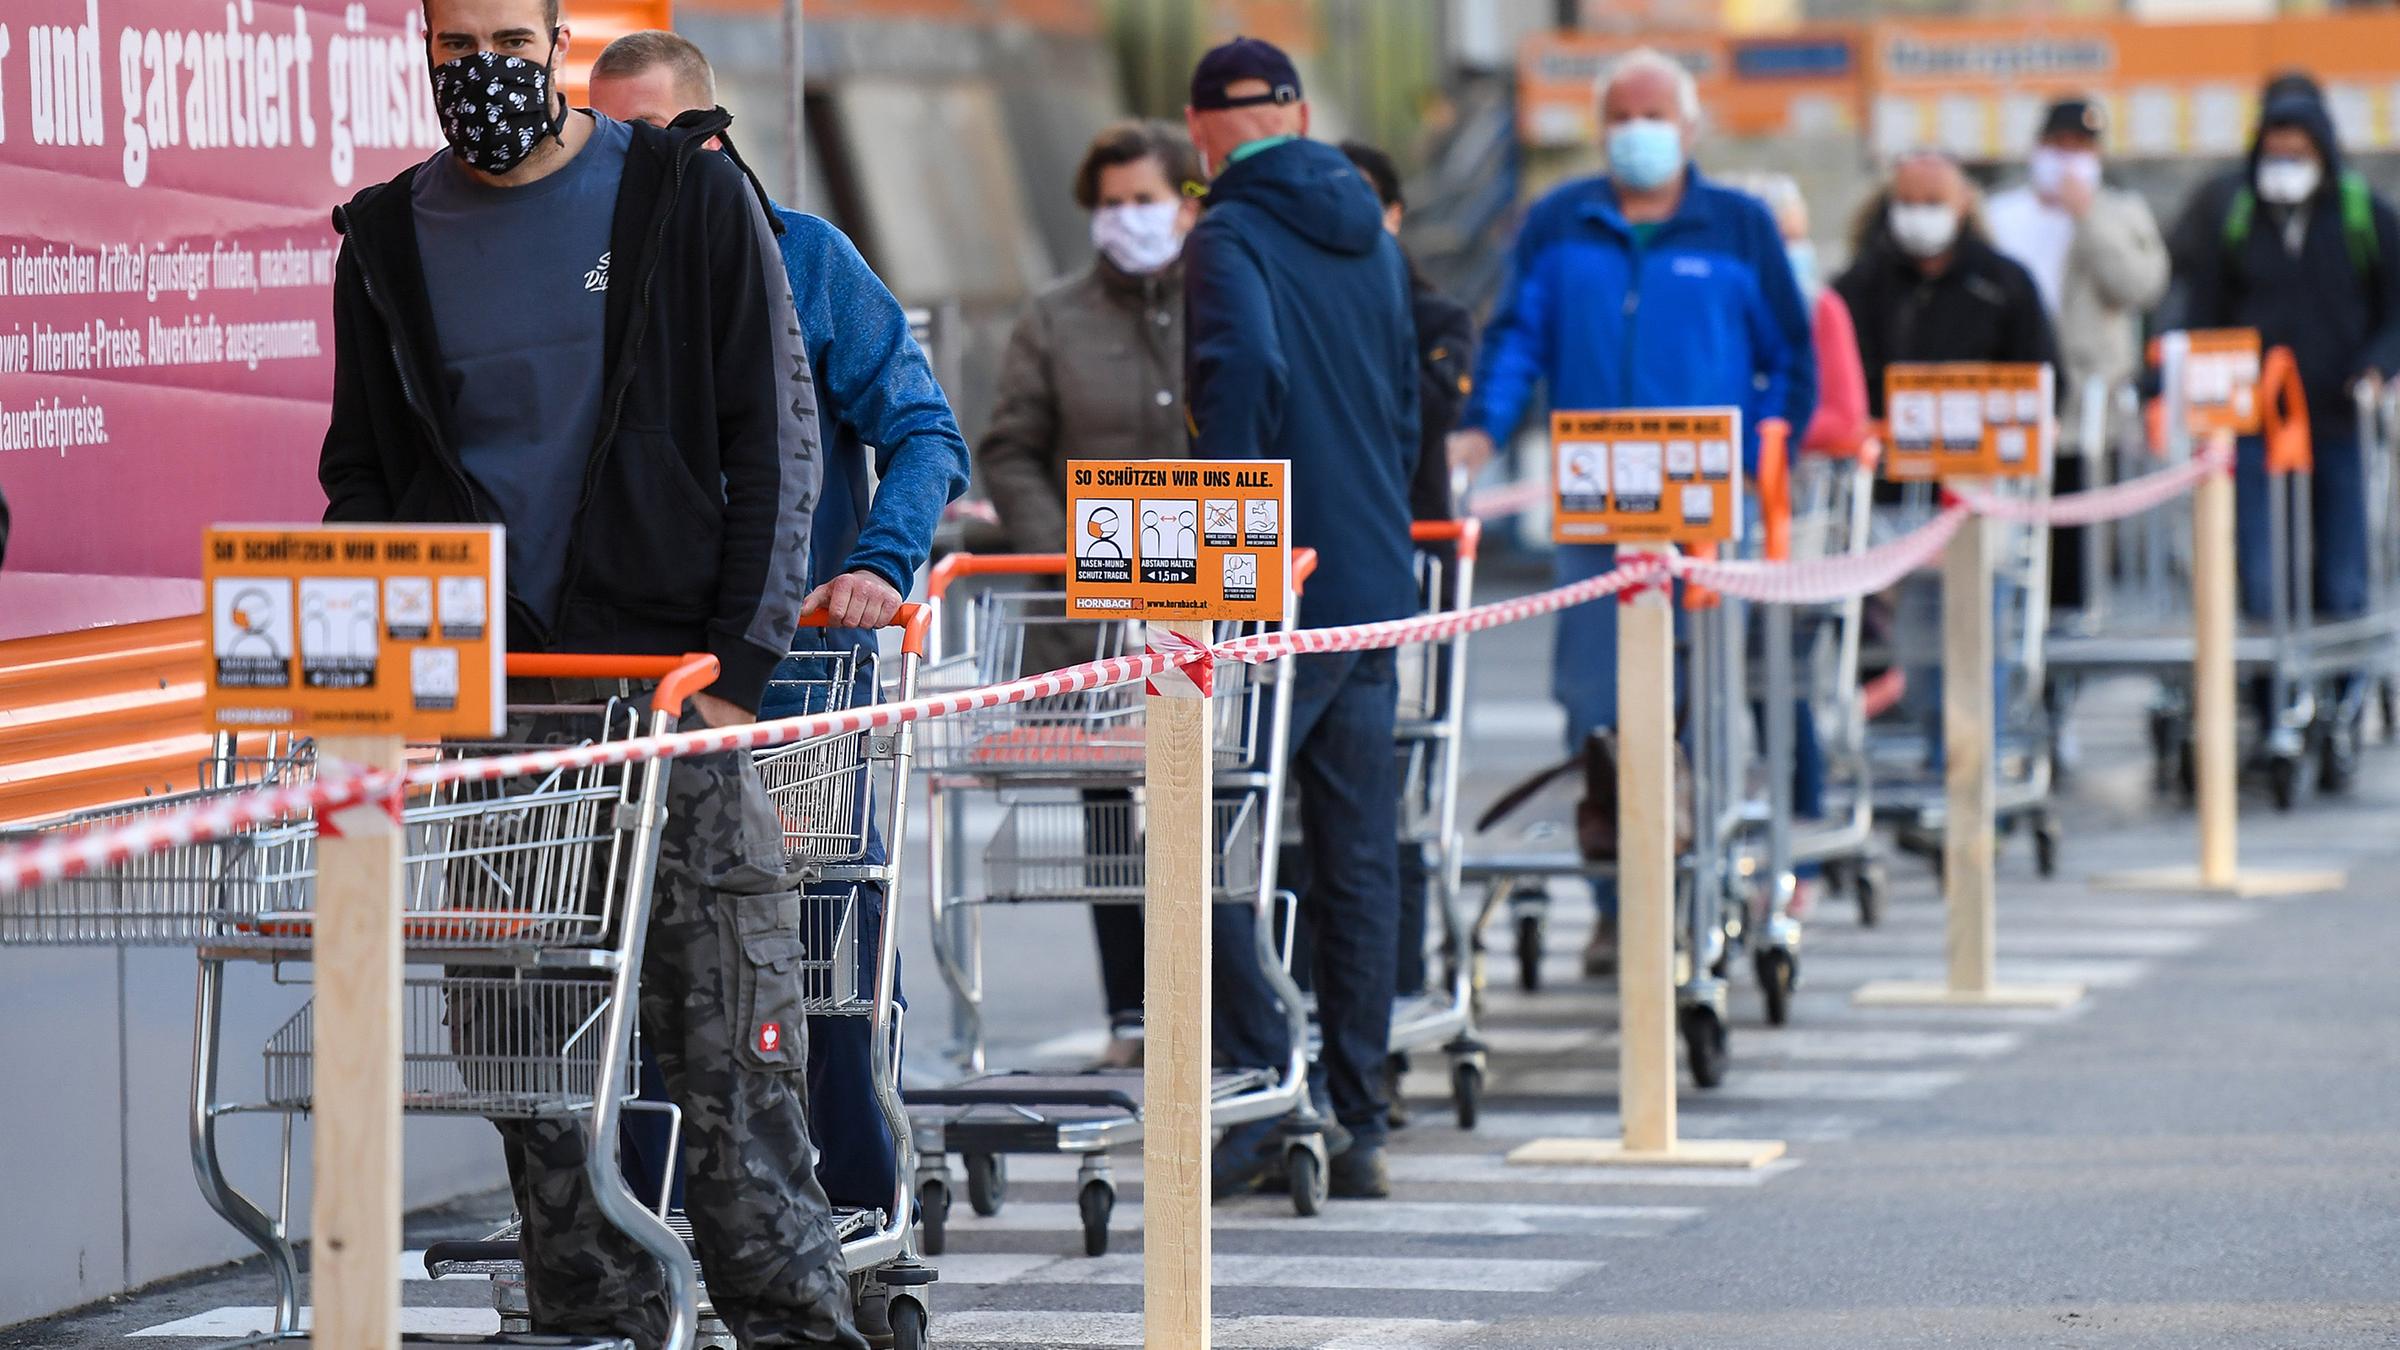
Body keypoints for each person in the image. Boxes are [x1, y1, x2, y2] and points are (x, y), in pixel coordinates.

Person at [318, 3, 862, 1345]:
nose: (483, 71)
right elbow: (364, 477)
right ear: (422, 53)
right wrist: (382, 686)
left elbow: (774, 433)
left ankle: (792, 1320)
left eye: (511, 40)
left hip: (672, 695)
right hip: (500, 706)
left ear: (559, 39)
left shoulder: (683, 195)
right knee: (525, 1057)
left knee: (731, 1054)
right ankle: (594, 1317)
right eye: (456, 48)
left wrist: (738, 669)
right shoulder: (386, 239)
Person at [587, 30, 969, 1337]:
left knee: (817, 951)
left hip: (797, 671)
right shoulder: (582, 271)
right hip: (642, 684)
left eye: (647, 135)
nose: (624, 165)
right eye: (605, 138)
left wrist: (878, 562)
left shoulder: (807, 261)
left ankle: (855, 1209)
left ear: (710, 132)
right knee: (640, 958)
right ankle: (653, 1220)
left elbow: (924, 430)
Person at [1451, 47, 1815, 975]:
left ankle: (1696, 891)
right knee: (1593, 702)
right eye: (1621, 115)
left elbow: (1790, 358)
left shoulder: (1737, 227)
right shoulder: (1559, 222)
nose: (1636, 132)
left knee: (1701, 702)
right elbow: (1517, 338)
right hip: (1595, 508)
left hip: (1705, 511)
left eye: (1653, 115)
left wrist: (1759, 452)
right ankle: (1617, 900)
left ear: (1689, 127)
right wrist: (1482, 430)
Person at [1181, 35, 1420, 1200]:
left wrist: (1221, 553)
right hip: (1370, 578)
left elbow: (1242, 377)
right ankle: (1361, 1116)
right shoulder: (1374, 232)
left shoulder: (1227, 234)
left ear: (1199, 134)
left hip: (1276, 588)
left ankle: (1262, 1094)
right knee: (1355, 854)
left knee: (1209, 835)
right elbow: (1406, 403)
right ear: (1302, 117)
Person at [976, 119, 1203, 1069]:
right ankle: (1133, 1011)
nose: (1126, 218)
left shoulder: (1229, 303)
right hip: (1095, 620)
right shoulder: (1056, 317)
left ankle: (1221, 999)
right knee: (1110, 812)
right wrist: (1067, 554)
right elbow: (1010, 449)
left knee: (1222, 801)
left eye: (1144, 199)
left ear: (1187, 203)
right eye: (1110, 204)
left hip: (1215, 608)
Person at [1835, 150, 2057, 772]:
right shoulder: (1860, 287)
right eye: (1908, 202)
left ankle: (1972, 761)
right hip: (1890, 501)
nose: (1919, 215)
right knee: (1915, 636)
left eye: (1933, 202)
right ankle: (1941, 753)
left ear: (1962, 205)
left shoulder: (2004, 284)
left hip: (1982, 498)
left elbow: (2043, 381)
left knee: (1979, 626)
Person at [1339, 137, 1473, 1125]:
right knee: (1306, 820)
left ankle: (1392, 1008)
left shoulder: (1430, 314)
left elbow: (1414, 416)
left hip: (1407, 572)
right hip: (1316, 588)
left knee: (1395, 800)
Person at [2180, 90, 2400, 680]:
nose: (2284, 167)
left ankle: (2343, 688)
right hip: (2254, 419)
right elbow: (2204, 309)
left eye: (2297, 155)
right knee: (2261, 568)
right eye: (2274, 154)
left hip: (2338, 416)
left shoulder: (2363, 216)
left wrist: (2376, 367)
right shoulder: (2237, 218)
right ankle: (2267, 687)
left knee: (2342, 571)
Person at [1985, 96, 2168, 614]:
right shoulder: (2000, 214)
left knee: (2075, 529)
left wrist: (2089, 217)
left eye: (2080, 148)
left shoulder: (2120, 213)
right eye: (2058, 145)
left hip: (2085, 405)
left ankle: (2072, 620)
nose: (2067, 159)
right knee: (2008, 528)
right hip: (2011, 395)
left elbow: (2140, 286)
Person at [2162, 71, 2326, 331]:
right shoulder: (2224, 200)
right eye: (2279, 127)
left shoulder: (2355, 208)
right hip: (2238, 351)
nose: (2288, 140)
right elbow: (2181, 279)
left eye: (2299, 128)